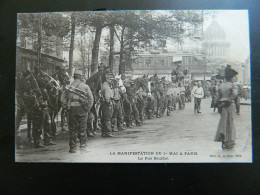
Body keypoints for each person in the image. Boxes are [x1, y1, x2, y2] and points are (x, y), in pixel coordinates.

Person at [61, 69, 94, 153]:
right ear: (80, 77)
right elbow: (91, 99)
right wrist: (87, 109)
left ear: (74, 76)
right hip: (82, 110)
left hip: (71, 110)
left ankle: (72, 148)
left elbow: (62, 99)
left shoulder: (68, 87)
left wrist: (66, 107)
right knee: (82, 129)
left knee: (72, 129)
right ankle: (83, 147)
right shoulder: (85, 86)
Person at [215, 65, 239, 150]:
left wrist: (218, 104)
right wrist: (228, 100)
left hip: (222, 105)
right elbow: (235, 94)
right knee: (230, 122)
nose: (234, 78)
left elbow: (217, 97)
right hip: (229, 105)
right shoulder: (233, 85)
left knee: (223, 122)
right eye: (234, 77)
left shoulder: (221, 85)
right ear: (231, 77)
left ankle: (223, 141)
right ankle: (229, 141)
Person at [100, 73, 116, 137]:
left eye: (112, 79)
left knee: (104, 118)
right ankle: (108, 132)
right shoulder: (106, 87)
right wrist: (110, 101)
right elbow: (107, 98)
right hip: (107, 104)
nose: (111, 80)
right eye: (110, 79)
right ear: (106, 79)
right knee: (108, 118)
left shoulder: (104, 85)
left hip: (104, 104)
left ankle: (104, 132)